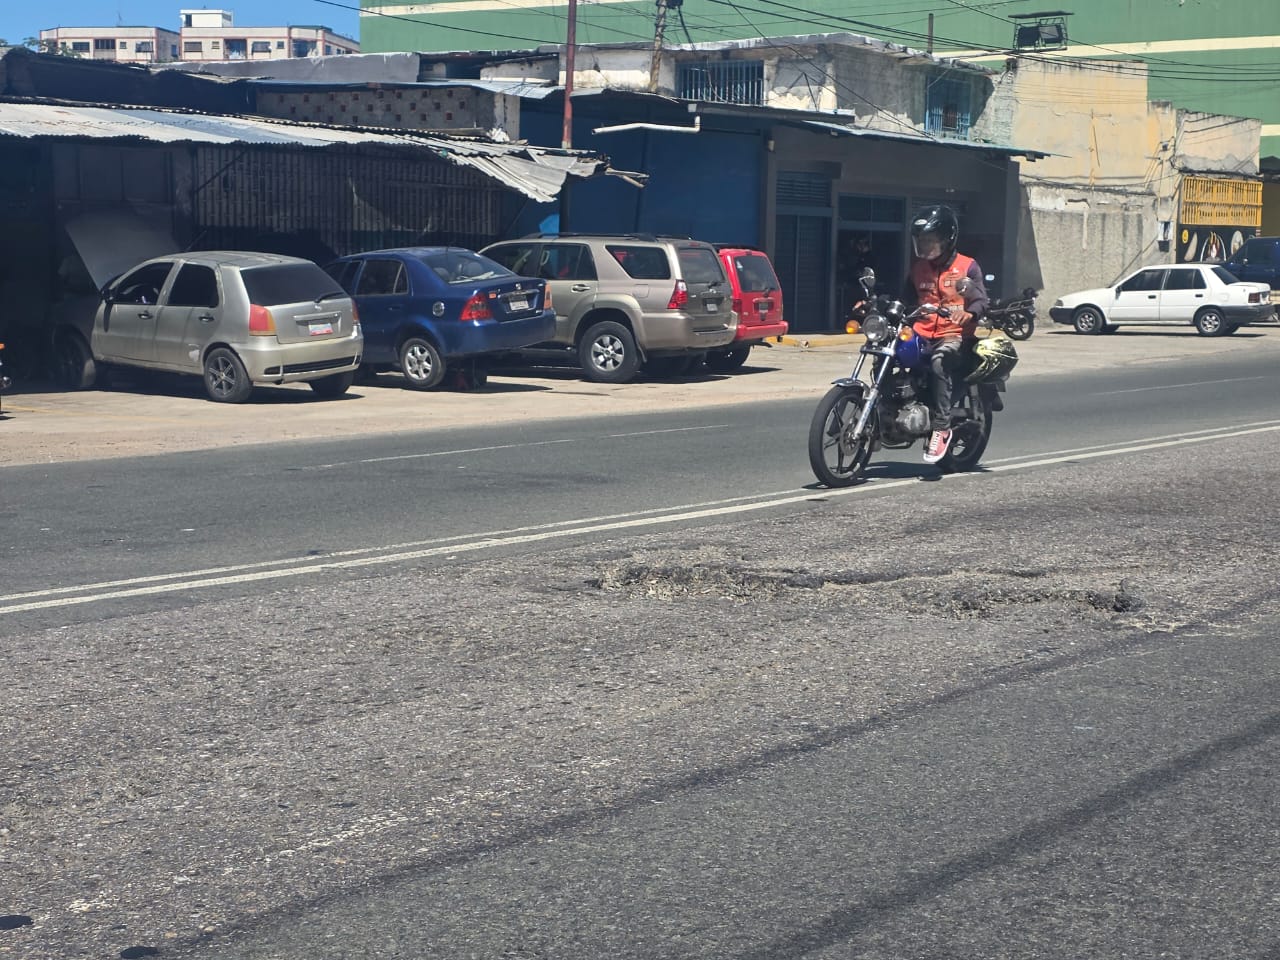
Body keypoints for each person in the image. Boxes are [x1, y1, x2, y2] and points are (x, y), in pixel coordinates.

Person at [901, 203, 989, 456]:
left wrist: (969, 313)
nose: (925, 246)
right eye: (921, 240)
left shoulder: (966, 267)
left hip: (954, 334)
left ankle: (941, 427)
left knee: (939, 363)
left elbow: (980, 299)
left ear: (947, 239)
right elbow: (904, 298)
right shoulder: (918, 268)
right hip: (922, 331)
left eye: (930, 240)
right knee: (890, 351)